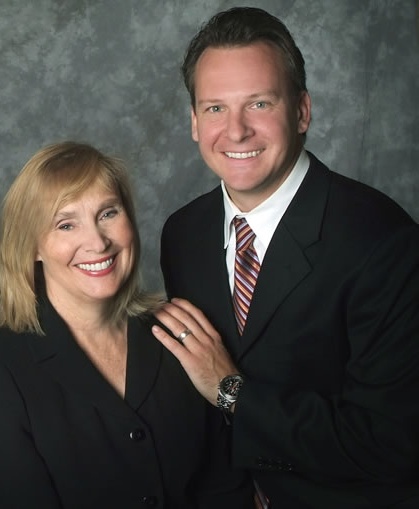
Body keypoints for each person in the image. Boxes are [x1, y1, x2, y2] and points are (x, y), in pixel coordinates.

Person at [152, 7, 419, 508]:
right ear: (193, 121)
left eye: (258, 104)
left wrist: (232, 390)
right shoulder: (182, 234)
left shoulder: (383, 240)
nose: (235, 131)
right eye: (214, 108)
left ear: (302, 111)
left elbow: (390, 442)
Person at [0, 142, 251, 508]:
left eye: (108, 213)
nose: (97, 242)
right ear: (32, 246)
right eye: (66, 224)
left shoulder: (178, 334)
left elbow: (226, 489)